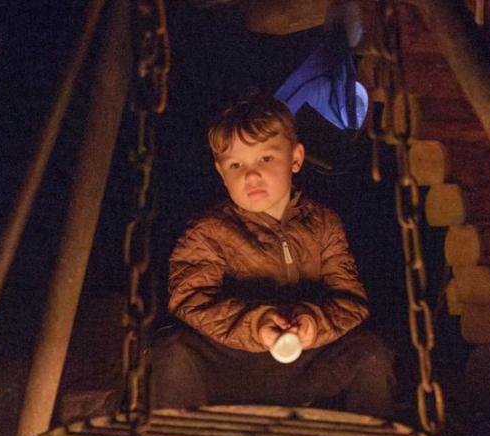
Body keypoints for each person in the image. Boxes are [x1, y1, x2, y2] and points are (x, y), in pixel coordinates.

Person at [149, 93, 395, 419]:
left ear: (295, 158)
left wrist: (313, 322)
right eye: (236, 165)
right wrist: (256, 323)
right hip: (231, 366)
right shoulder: (207, 231)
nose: (251, 176)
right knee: (173, 355)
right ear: (221, 173)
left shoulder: (323, 224)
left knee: (370, 354)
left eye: (266, 159)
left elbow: (351, 300)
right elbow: (190, 300)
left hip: (306, 364)